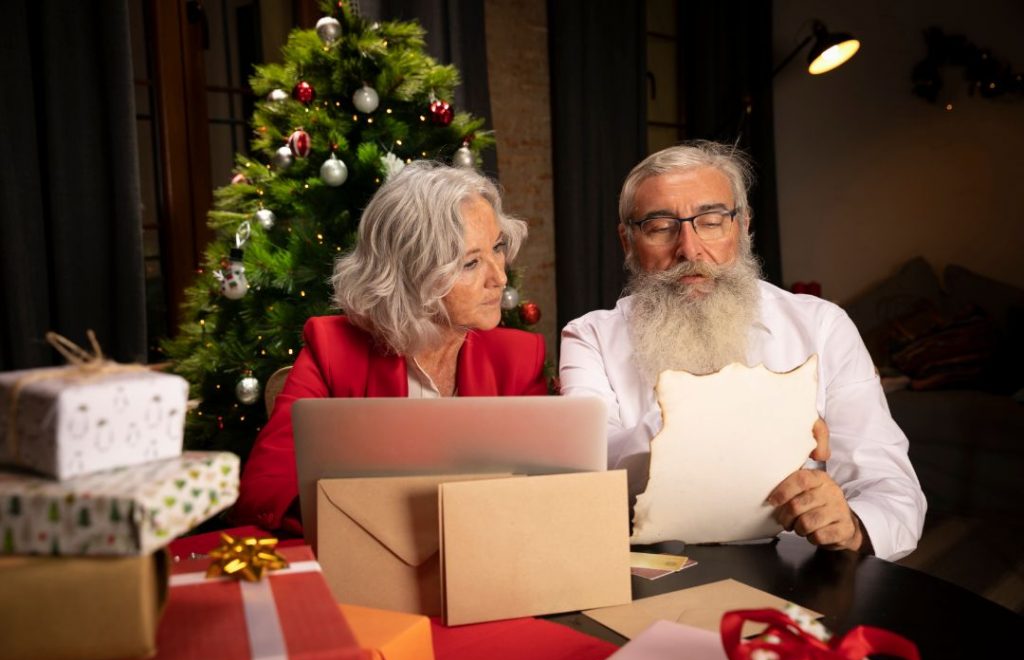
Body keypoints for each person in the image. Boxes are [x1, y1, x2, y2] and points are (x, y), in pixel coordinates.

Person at [559, 141, 925, 562]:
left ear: (743, 226)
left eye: (711, 222)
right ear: (628, 241)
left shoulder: (823, 327)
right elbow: (592, 471)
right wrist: (748, 411)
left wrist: (852, 525)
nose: (690, 250)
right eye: (661, 228)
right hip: (643, 566)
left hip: (797, 565)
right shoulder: (589, 338)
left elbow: (892, 492)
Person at [233, 161, 548, 535]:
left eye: (497, 248)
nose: (499, 276)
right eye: (470, 263)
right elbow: (263, 491)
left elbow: (544, 492)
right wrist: (360, 517)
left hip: (484, 559)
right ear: (411, 274)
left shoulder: (518, 359)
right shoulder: (334, 350)